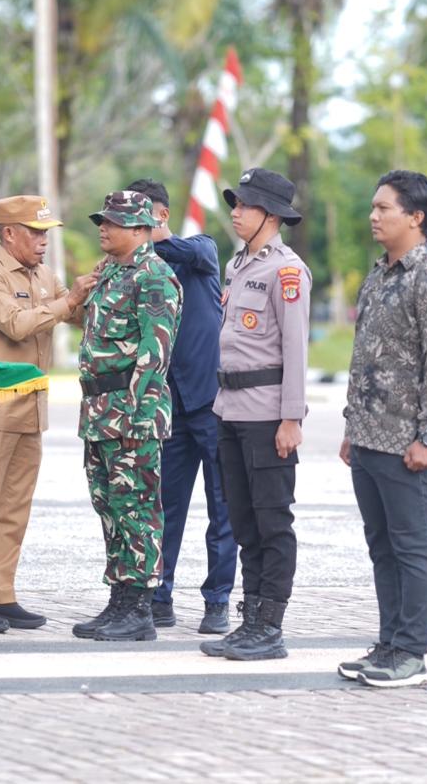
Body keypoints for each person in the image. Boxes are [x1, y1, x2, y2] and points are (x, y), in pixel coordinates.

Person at [0, 195, 97, 634]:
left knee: (14, 506)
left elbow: (75, 317)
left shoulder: (43, 275)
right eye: (35, 232)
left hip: (30, 406)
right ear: (8, 233)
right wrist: (67, 300)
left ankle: (0, 592)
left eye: (46, 232)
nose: (43, 241)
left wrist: (93, 293)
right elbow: (16, 324)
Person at [337, 169, 427, 688]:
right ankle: (388, 645)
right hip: (367, 438)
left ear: (416, 217)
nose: (373, 215)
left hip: (408, 444)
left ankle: (411, 653)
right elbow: (365, 355)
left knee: (412, 547)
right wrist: (350, 425)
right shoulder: (381, 274)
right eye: (373, 206)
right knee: (382, 546)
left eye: (384, 208)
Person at [200, 167, 312, 662]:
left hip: (268, 415)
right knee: (242, 521)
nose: (236, 212)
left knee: (272, 522)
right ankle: (250, 620)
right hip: (230, 409)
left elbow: (296, 349)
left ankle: (270, 624)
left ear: (271, 214)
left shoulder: (286, 271)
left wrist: (292, 419)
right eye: (235, 203)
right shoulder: (239, 264)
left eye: (244, 204)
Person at [125, 178, 236, 635]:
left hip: (211, 404)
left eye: (136, 215)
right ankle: (160, 594)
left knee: (222, 508)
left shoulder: (200, 250)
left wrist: (154, 236)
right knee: (163, 507)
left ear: (160, 215)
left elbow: (193, 253)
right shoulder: (134, 269)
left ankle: (217, 600)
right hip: (168, 406)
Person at [72, 191, 181, 642]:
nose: (104, 227)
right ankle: (119, 599)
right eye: (102, 220)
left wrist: (137, 419)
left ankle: (139, 608)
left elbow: (154, 356)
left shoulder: (154, 277)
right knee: (111, 507)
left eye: (114, 222)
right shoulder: (111, 274)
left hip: (130, 414)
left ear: (141, 230)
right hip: (100, 412)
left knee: (137, 509)